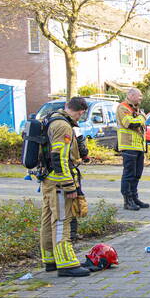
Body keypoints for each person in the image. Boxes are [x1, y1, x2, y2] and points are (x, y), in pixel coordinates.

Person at [40, 97, 92, 277]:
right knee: (62, 220)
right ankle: (66, 264)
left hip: (48, 180)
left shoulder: (51, 119)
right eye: (81, 115)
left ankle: (50, 260)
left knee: (48, 220)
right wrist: (69, 185)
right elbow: (59, 158)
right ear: (81, 111)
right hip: (60, 182)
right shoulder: (63, 126)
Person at [116, 87, 149, 211]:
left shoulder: (135, 109)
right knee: (129, 174)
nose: (141, 98)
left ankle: (134, 197)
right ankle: (127, 201)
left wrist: (140, 117)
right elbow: (130, 124)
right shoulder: (123, 107)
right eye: (139, 96)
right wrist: (142, 118)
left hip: (138, 146)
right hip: (128, 145)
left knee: (137, 174)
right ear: (130, 95)